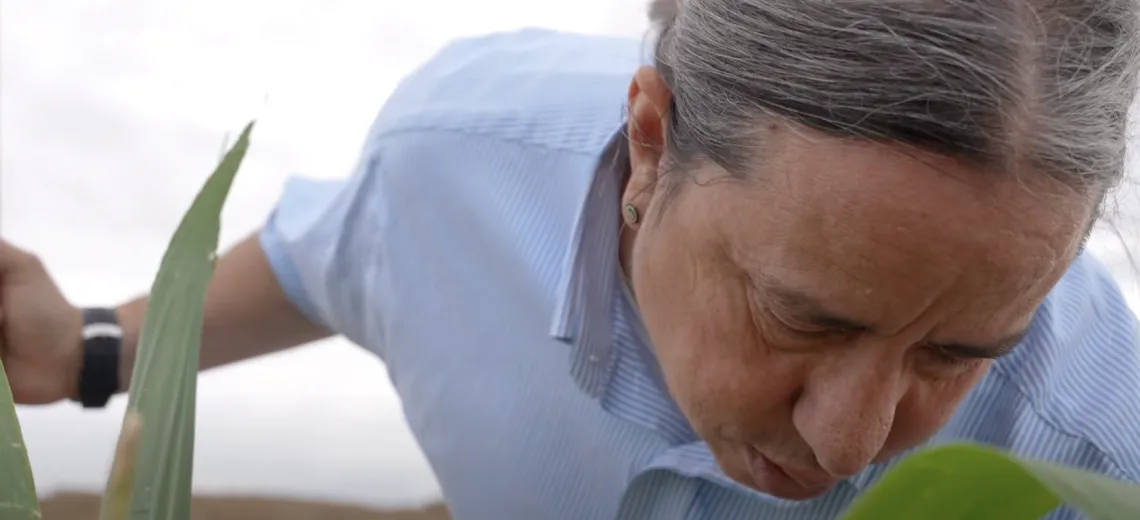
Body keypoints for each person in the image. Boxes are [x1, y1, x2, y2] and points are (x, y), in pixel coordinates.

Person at [3, 0, 1139, 518]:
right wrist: (93, 350)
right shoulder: (454, 164)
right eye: (806, 319)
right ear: (652, 143)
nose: (852, 443)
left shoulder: (1104, 454)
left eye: (961, 352)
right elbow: (326, 257)